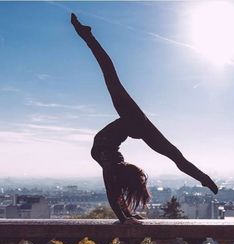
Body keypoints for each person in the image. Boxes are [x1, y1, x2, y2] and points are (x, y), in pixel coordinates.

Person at [71, 13, 218, 224]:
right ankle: (87, 37)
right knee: (175, 155)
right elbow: (115, 195)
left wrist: (126, 218)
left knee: (109, 75)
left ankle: (87, 37)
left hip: (132, 121)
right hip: (133, 123)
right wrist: (126, 218)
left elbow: (114, 195)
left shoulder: (110, 165)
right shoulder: (112, 164)